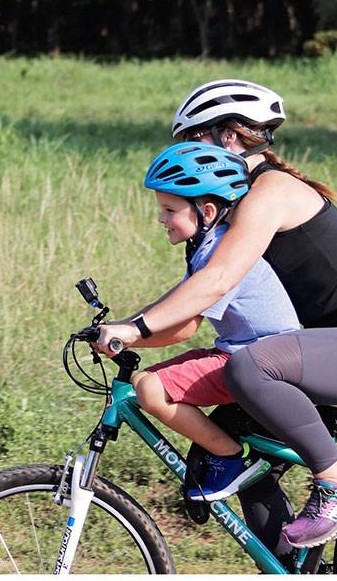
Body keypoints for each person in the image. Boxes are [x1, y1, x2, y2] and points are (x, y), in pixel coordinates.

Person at [98, 80, 337, 554]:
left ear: (228, 137)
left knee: (250, 366)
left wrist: (136, 327)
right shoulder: (225, 207)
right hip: (315, 350)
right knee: (229, 448)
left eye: (193, 140)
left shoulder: (271, 191)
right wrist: (124, 332)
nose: (188, 155)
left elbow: (220, 278)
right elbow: (192, 310)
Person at [130, 141, 299, 502]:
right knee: (143, 379)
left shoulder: (219, 252)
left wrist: (129, 336)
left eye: (169, 209)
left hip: (259, 361)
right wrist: (126, 325)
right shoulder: (206, 247)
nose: (161, 218)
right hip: (240, 353)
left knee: (151, 390)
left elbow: (183, 328)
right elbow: (174, 306)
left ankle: (229, 457)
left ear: (206, 210)